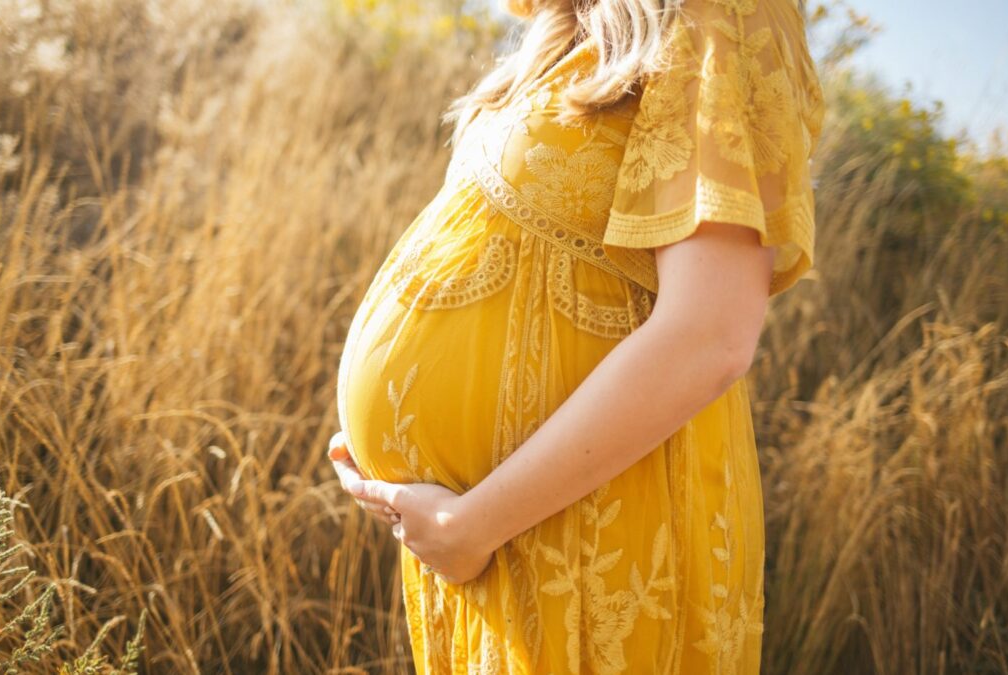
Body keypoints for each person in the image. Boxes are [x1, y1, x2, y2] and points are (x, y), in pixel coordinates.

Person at [327, 0, 825, 671]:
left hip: (593, 536)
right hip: (497, 537)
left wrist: (468, 525)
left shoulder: (720, 14)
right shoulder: (565, 32)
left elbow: (710, 333)